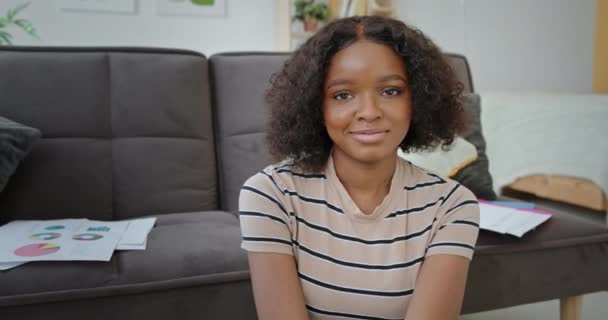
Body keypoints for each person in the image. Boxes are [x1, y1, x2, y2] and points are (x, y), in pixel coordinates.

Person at [239, 15, 480, 320]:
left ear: (417, 99)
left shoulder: (453, 206)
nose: (369, 112)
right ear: (316, 106)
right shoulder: (270, 195)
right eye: (343, 95)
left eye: (391, 91)